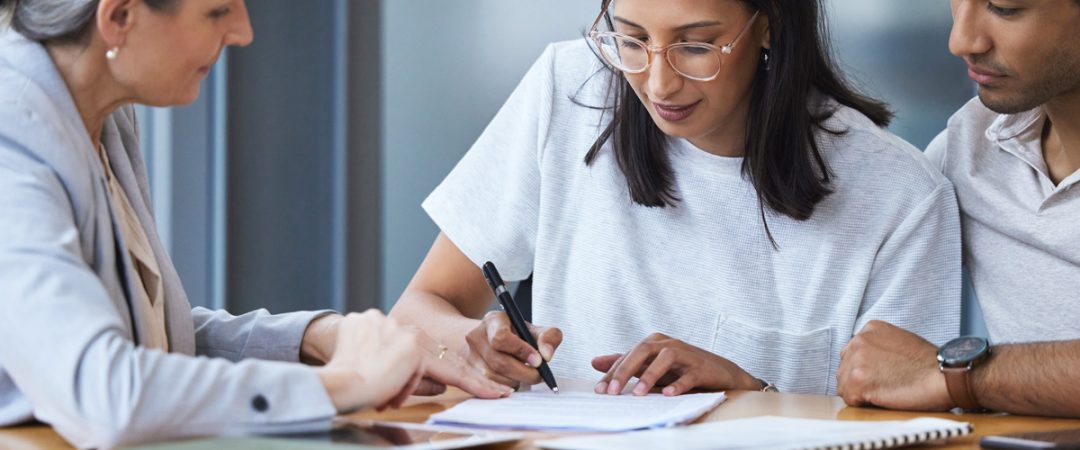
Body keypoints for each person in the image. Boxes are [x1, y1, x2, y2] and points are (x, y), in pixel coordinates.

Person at [0, 0, 511, 448]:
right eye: (218, 10)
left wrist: (316, 337)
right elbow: (107, 391)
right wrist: (342, 384)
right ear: (120, 17)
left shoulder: (104, 117)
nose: (242, 31)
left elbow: (148, 338)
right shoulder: (11, 134)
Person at [390, 0, 961, 399]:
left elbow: (903, 423)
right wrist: (472, 343)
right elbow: (419, 309)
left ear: (769, 25)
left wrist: (751, 392)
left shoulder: (901, 195)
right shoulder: (570, 90)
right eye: (632, 38)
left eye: (695, 45)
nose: (658, 84)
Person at [836, 0, 1080, 418]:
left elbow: (918, 372)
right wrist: (753, 385)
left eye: (1004, 8)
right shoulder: (968, 146)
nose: (961, 41)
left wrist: (957, 375)